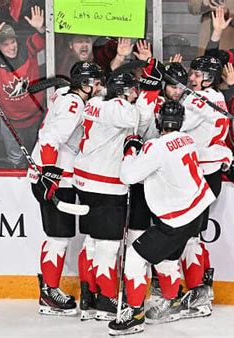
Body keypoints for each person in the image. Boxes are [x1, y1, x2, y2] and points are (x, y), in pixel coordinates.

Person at [108, 100, 216, 335]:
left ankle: (135, 315)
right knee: (167, 258)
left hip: (176, 220)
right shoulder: (188, 140)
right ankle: (171, 303)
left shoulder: (156, 147)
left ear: (159, 121)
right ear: (181, 121)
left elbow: (128, 175)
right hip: (197, 212)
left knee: (136, 258)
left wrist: (130, 149)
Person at [72, 47, 159, 321]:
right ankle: (107, 302)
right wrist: (151, 91)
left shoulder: (95, 102)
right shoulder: (120, 108)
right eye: (132, 89)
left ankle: (89, 295)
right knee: (109, 247)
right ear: (124, 91)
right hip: (106, 185)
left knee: (92, 242)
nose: (134, 93)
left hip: (83, 181)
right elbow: (139, 120)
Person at [27, 61, 104, 316]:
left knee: (58, 236)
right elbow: (50, 139)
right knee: (58, 238)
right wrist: (50, 173)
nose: (99, 85)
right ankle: (49, 293)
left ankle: (48, 291)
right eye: (95, 81)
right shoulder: (74, 105)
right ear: (84, 84)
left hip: (56, 173)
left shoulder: (66, 96)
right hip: (56, 176)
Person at [178, 55, 233, 318]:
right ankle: (203, 289)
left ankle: (198, 294)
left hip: (198, 173)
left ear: (209, 78)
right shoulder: (218, 98)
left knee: (190, 238)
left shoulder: (197, 100)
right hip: (209, 173)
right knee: (194, 236)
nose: (191, 77)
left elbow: (175, 125)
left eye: (197, 74)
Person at [0, 7, 45, 167]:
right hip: (10, 122)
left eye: (13, 42)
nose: (12, 47)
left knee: (38, 156)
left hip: (35, 117)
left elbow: (42, 40)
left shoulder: (27, 49)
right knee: (16, 160)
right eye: (6, 44)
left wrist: (40, 29)